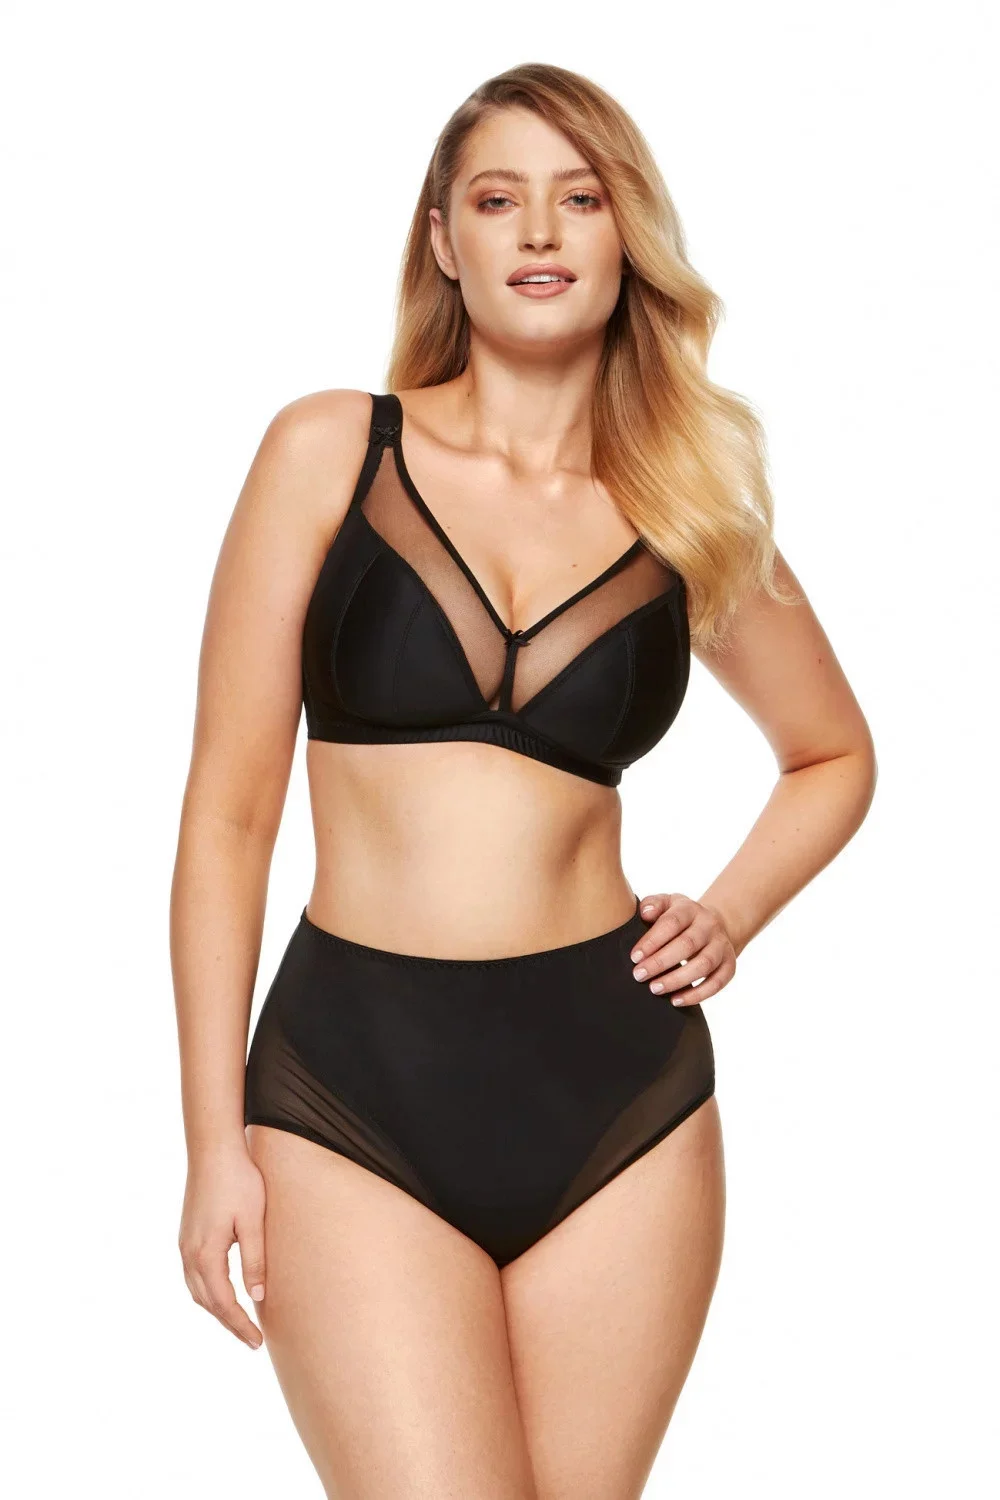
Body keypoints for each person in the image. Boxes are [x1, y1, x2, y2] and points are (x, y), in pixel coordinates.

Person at [171, 62, 877, 1500]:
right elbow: (228, 821)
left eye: (581, 198)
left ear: (628, 239)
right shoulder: (330, 450)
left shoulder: (682, 508)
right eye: (499, 200)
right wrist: (208, 1144)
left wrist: (733, 911)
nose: (541, 231)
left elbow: (834, 755)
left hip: (618, 1098)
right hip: (351, 1089)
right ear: (444, 240)